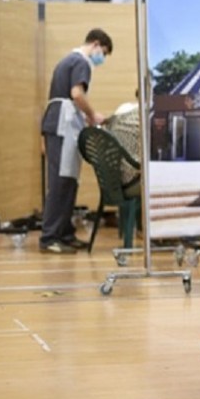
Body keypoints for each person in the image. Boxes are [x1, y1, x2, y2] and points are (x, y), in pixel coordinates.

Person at [39, 28, 113, 254]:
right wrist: (93, 115)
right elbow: (77, 94)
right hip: (62, 125)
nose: (102, 58)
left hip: (62, 123)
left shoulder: (67, 60)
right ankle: (49, 237)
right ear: (97, 44)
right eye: (104, 53)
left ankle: (65, 233)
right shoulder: (81, 62)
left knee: (69, 181)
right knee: (61, 182)